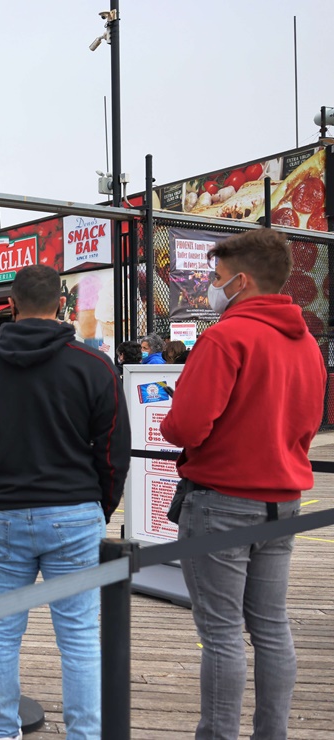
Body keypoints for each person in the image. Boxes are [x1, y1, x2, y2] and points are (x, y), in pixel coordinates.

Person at [160, 229, 325, 740]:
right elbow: (310, 421)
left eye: (217, 278)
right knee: (271, 628)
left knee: (222, 636)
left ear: (242, 281)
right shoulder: (307, 345)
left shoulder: (225, 337)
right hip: (284, 500)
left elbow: (184, 428)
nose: (212, 286)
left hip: (221, 502)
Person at [0, 265, 130, 740]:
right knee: (77, 638)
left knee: (2, 631)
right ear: (62, 304)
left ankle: (3, 731)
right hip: (74, 513)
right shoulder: (94, 367)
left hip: (4, 515)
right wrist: (98, 506)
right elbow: (113, 450)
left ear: (11, 305)